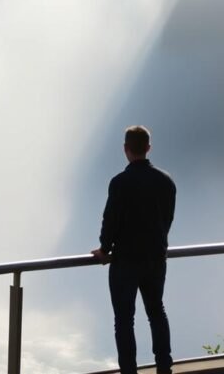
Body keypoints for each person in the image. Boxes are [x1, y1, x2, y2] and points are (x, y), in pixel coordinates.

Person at [92, 125, 176, 374]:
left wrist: (104, 248)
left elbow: (111, 220)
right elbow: (167, 219)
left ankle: (129, 371)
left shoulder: (119, 183)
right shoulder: (166, 181)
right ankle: (164, 367)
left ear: (126, 149)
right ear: (149, 148)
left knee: (124, 320)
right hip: (156, 257)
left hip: (125, 260)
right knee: (156, 311)